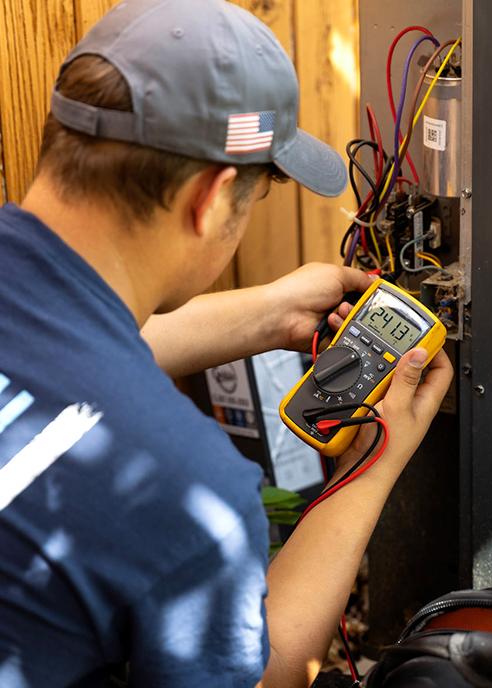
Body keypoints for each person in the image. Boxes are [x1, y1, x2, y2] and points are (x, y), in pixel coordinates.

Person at [0, 1, 453, 686]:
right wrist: (370, 465)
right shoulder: (182, 492)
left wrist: (268, 314)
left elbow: (65, 350)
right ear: (211, 199)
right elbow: (264, 673)